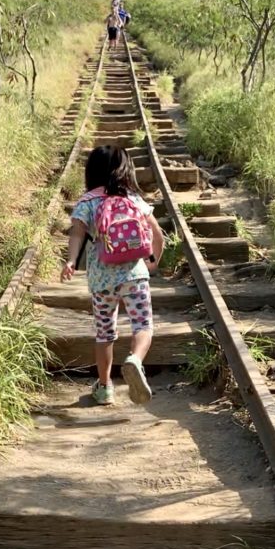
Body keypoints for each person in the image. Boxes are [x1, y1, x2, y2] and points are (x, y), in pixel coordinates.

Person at [60, 145, 164, 406]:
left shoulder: (88, 201)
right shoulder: (133, 199)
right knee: (143, 325)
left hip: (101, 279)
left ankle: (105, 387)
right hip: (135, 274)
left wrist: (71, 260)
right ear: (125, 169)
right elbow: (157, 234)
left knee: (104, 332)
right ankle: (135, 360)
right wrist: (152, 264)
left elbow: (77, 232)